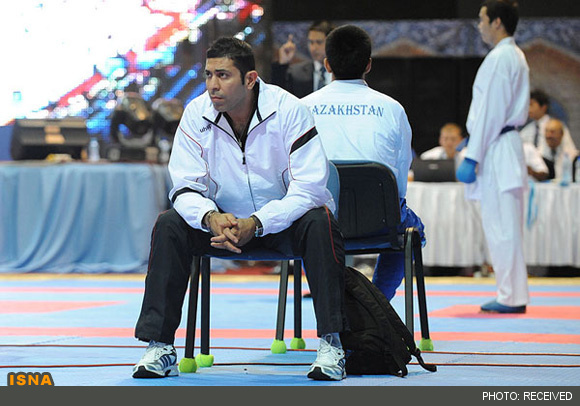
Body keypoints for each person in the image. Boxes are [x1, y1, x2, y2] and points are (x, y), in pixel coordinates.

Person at [132, 37, 348, 381]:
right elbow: (184, 186)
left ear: (250, 79)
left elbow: (309, 188)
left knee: (319, 220)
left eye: (223, 75)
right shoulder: (196, 113)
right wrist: (210, 217)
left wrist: (258, 222)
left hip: (282, 224)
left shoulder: (290, 110)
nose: (212, 85)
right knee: (170, 223)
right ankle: (159, 345)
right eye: (208, 75)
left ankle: (332, 344)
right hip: (223, 227)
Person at [301, 24, 425, 302]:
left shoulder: (301, 108)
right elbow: (400, 179)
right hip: (378, 220)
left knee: (302, 219)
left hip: (319, 221)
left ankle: (335, 301)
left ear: (327, 65)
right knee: (411, 229)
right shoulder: (393, 108)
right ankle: (377, 304)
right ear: (368, 65)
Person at [455, 0, 529, 313]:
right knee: (505, 226)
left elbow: (491, 111)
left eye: (482, 19)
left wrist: (472, 155)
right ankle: (511, 293)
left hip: (497, 147)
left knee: (502, 227)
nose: (479, 25)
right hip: (501, 144)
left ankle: (511, 296)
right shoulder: (513, 55)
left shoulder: (501, 57)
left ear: (497, 22)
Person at [271, 20, 335, 98]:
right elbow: (277, 95)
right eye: (311, 42)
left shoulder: (342, 73)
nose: (313, 48)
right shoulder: (296, 73)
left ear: (332, 42)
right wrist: (283, 63)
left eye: (319, 42)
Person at [519, 89, 577, 156]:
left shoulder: (557, 126)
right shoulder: (528, 129)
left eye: (531, 105)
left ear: (543, 107)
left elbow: (570, 150)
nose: (528, 109)